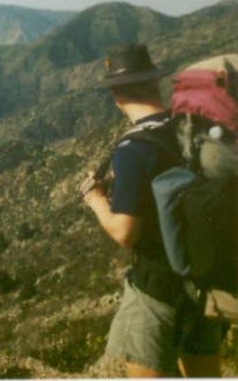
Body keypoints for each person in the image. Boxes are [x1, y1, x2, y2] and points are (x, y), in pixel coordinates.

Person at [80, 43, 222, 377]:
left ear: (116, 94)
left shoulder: (133, 149)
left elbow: (126, 233)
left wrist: (95, 198)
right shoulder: (191, 129)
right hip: (202, 284)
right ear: (155, 82)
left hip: (156, 290)